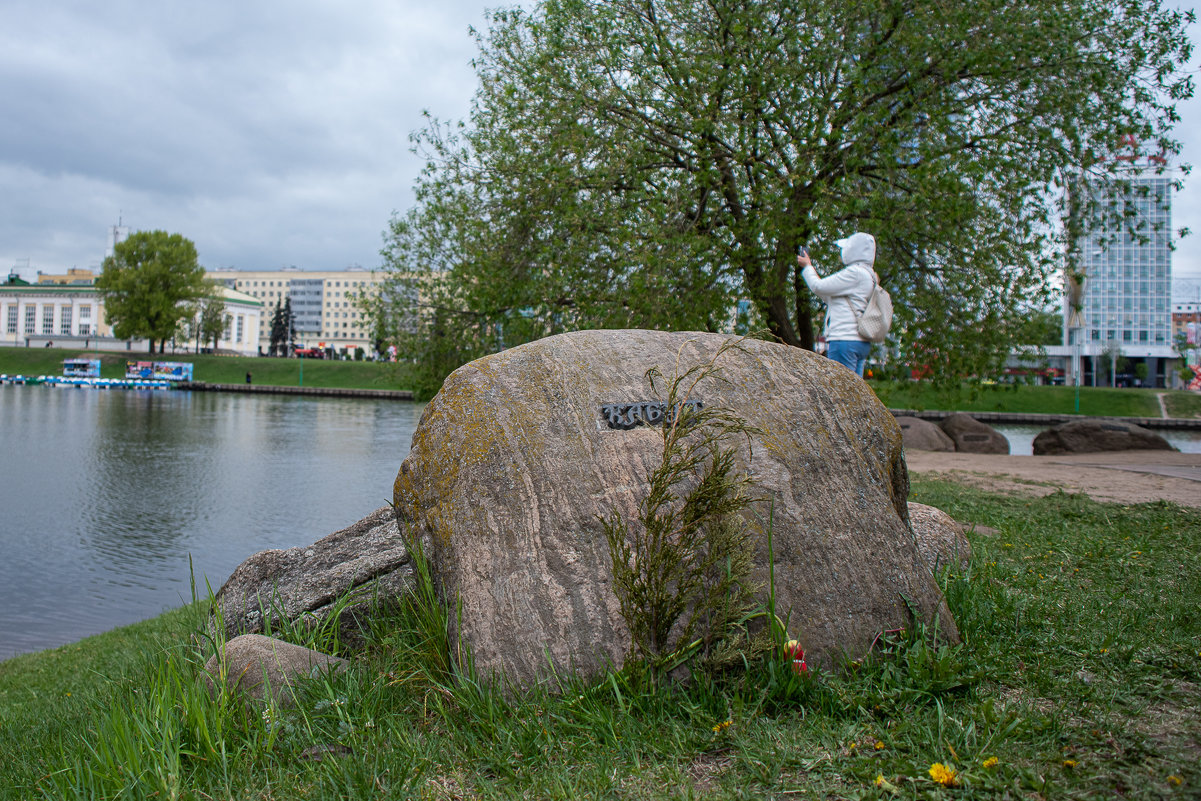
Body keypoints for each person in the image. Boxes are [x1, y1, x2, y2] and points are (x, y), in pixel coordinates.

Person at [797, 232, 878, 377]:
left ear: (853, 251)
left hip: (844, 340)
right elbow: (830, 297)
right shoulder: (870, 275)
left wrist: (807, 266)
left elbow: (818, 286)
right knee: (854, 392)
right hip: (860, 341)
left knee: (841, 392)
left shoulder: (854, 273)